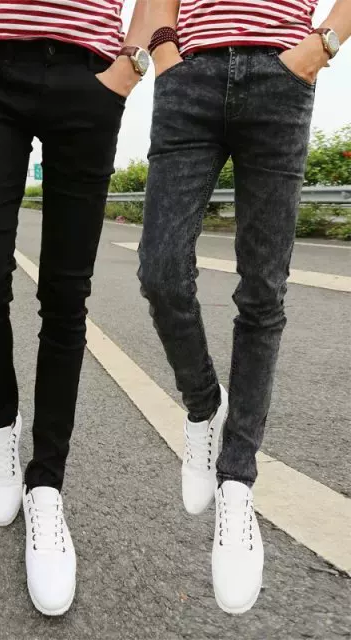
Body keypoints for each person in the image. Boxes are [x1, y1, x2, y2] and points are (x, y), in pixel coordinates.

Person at [0, 0, 151, 616]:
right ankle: (2, 425)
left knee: (66, 296)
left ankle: (46, 484)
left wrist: (129, 66)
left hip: (91, 73)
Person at [139, 0, 350, 615]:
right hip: (189, 77)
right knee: (160, 272)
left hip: (282, 74)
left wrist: (321, 46)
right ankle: (205, 405)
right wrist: (164, 52)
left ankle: (237, 481)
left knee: (262, 292)